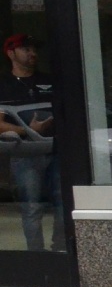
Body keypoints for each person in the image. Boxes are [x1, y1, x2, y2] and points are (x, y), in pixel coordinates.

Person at [0, 33, 64, 252]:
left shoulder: (49, 81)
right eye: (25, 49)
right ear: (10, 53)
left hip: (56, 150)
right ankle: (36, 256)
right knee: (32, 207)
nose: (32, 53)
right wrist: (27, 130)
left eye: (34, 49)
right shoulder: (4, 85)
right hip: (25, 154)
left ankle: (60, 250)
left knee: (63, 204)